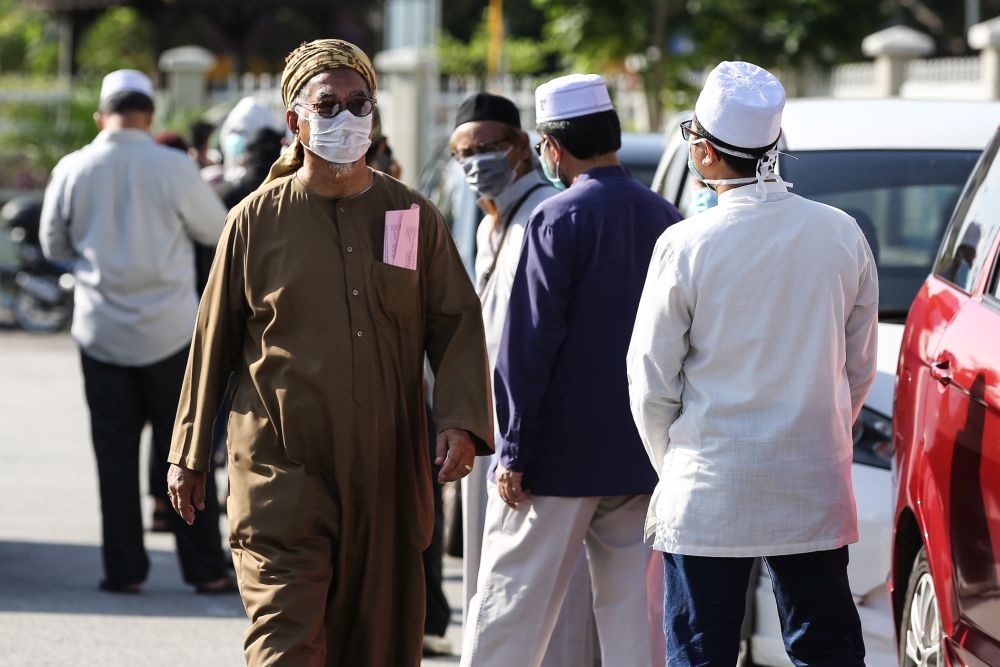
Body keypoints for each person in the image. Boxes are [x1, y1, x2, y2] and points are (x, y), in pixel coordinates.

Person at [165, 39, 493, 666]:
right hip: (280, 471)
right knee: (285, 643)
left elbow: (454, 321)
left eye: (358, 103)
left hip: (386, 472)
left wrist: (458, 419)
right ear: (296, 121)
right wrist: (187, 453)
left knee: (374, 645)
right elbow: (212, 343)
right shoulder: (254, 221)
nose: (345, 117)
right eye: (328, 104)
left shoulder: (409, 217)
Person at [626, 61, 878, 666]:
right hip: (811, 480)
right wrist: (819, 434)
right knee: (826, 651)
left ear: (707, 154)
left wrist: (679, 463)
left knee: (701, 655)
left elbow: (650, 380)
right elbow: (859, 366)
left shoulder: (685, 244)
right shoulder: (840, 233)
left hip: (710, 488)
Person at [461, 74, 682, 667]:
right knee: (635, 617)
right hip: (641, 455)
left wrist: (513, 449)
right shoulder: (668, 217)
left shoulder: (556, 218)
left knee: (511, 607)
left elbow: (527, 347)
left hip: (555, 461)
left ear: (552, 146)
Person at [39, 69, 233, 594]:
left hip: (100, 331)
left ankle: (123, 570)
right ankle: (206, 568)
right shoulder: (172, 167)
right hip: (170, 332)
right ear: (150, 115)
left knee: (114, 458)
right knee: (187, 454)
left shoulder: (73, 167)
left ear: (102, 116)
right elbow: (216, 231)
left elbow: (53, 243)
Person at [449, 91, 598, 665]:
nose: (476, 162)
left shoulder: (543, 215)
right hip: (489, 429)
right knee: (496, 584)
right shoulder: (493, 225)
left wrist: (520, 443)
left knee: (533, 595)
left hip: (525, 436)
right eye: (464, 152)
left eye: (488, 148)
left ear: (521, 148)